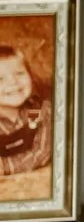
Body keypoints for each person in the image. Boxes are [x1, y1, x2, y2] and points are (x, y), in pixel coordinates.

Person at [0, 45, 53, 178]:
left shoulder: (42, 110)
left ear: (31, 75)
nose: (13, 82)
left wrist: (5, 166)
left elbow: (41, 152)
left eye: (19, 73)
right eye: (0, 79)